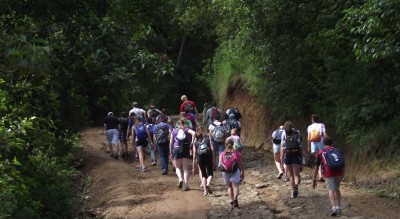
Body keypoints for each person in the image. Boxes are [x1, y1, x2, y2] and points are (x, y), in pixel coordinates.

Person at [312, 137, 344, 216]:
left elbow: (316, 167)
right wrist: (343, 173)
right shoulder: (337, 150)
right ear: (332, 143)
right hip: (338, 171)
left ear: (323, 143)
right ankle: (338, 207)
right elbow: (341, 162)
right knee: (337, 189)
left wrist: (314, 180)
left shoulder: (321, 152)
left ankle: (333, 208)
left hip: (328, 172)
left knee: (331, 190)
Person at [170, 119, 195, 191]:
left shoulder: (174, 131)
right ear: (184, 124)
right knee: (185, 169)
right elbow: (193, 133)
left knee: (177, 167)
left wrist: (171, 151)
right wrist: (192, 143)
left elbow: (171, 142)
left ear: (177, 124)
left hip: (176, 148)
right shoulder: (186, 129)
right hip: (185, 149)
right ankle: (186, 185)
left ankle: (180, 179)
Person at [280, 121, 302, 198]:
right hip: (296, 155)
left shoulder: (283, 133)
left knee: (291, 175)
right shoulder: (297, 132)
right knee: (296, 175)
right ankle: (296, 186)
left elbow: (282, 149)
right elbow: (300, 146)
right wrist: (301, 158)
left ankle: (293, 191)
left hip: (288, 155)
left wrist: (282, 163)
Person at [220, 137, 244, 207]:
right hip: (235, 171)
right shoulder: (236, 153)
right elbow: (240, 163)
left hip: (225, 172)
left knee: (229, 187)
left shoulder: (222, 154)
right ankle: (235, 198)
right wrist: (242, 172)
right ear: (233, 144)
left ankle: (231, 200)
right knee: (235, 186)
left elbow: (221, 164)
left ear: (225, 144)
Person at [193, 127, 215, 196]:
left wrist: (193, 165)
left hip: (200, 159)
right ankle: (208, 184)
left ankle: (205, 191)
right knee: (210, 173)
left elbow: (194, 154)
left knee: (203, 175)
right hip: (208, 157)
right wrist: (214, 158)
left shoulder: (195, 143)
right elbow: (212, 149)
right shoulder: (207, 139)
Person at [307, 114, 328, 182]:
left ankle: (320, 175)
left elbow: (309, 138)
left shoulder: (309, 127)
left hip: (314, 145)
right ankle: (323, 174)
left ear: (312, 120)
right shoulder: (322, 125)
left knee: (318, 159)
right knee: (324, 159)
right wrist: (328, 143)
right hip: (321, 144)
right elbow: (324, 135)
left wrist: (308, 147)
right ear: (318, 119)